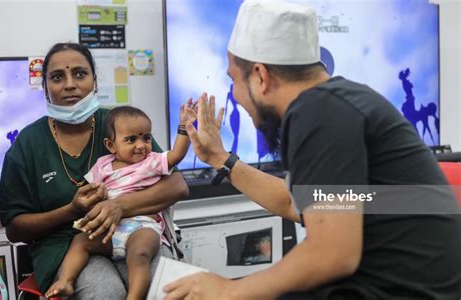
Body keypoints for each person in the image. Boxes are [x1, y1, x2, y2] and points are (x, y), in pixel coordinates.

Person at [163, 1, 461, 299]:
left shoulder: (316, 111)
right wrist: (219, 158)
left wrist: (229, 290)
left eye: (233, 81)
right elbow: (295, 201)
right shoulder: (336, 101)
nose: (236, 96)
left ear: (261, 76)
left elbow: (331, 254)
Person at [0, 42, 189, 298]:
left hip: (137, 232)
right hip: (66, 247)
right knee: (106, 293)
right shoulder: (28, 145)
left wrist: (119, 206)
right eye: (57, 77)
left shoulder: (121, 126)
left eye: (80, 74)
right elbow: (14, 228)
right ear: (45, 89)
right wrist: (71, 211)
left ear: (95, 82)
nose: (69, 84)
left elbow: (177, 185)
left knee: (169, 291)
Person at [46, 104, 196, 299]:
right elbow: (88, 191)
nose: (141, 145)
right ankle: (65, 280)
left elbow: (177, 154)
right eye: (131, 139)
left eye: (146, 138)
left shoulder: (151, 161)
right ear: (111, 145)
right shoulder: (103, 165)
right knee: (80, 241)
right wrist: (94, 196)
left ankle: (133, 296)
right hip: (111, 231)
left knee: (139, 254)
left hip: (143, 227)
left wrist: (183, 127)